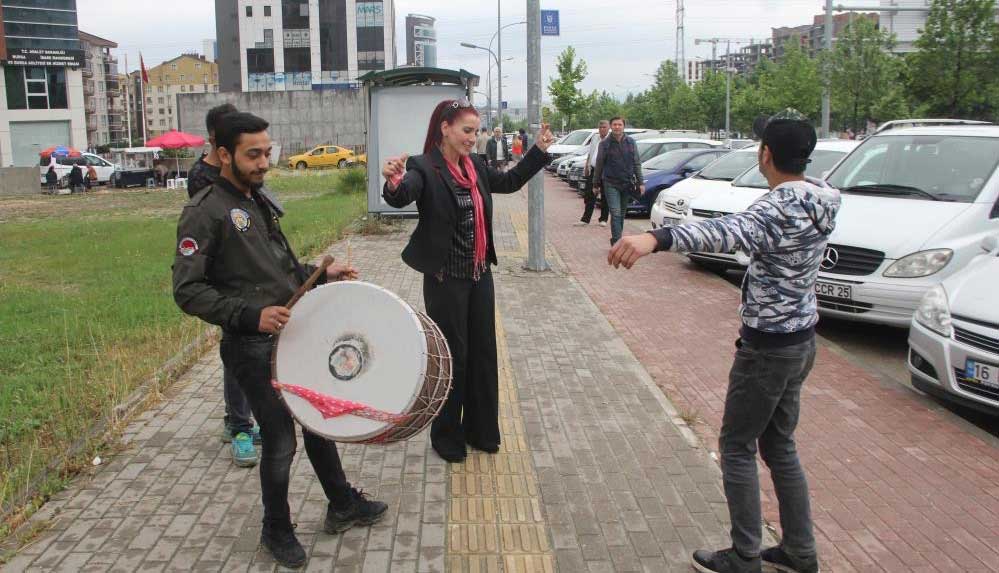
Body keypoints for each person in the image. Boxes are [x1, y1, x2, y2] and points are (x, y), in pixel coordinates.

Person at [608, 110, 834, 573]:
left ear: (765, 154)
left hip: (768, 348)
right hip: (800, 341)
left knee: (736, 446)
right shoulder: (822, 198)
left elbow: (727, 232)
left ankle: (746, 556)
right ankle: (799, 552)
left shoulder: (777, 208)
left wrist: (657, 238)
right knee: (779, 446)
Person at [172, 112, 387, 569]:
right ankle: (276, 529)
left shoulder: (256, 199)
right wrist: (252, 315)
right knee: (280, 439)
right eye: (253, 154)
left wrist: (320, 274)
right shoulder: (204, 211)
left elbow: (276, 269)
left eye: (267, 152)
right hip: (250, 346)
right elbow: (187, 291)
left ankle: (342, 504)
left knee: (318, 420)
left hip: (289, 335)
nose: (263, 162)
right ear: (224, 154)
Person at [380, 99, 555, 463]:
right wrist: (393, 181)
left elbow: (509, 182)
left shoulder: (475, 165)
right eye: (466, 131)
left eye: (476, 131)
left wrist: (538, 151)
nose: (473, 138)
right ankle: (446, 435)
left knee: (482, 353)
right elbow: (403, 194)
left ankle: (481, 430)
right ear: (445, 128)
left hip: (479, 275)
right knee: (453, 358)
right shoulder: (423, 166)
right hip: (446, 280)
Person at [184, 103, 263, 468]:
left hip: (252, 279)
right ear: (218, 142)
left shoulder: (244, 175)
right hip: (229, 284)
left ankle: (242, 420)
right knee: (236, 354)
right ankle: (239, 426)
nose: (260, 161)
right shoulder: (204, 179)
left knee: (248, 356)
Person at [592, 117, 643, 245]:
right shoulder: (604, 144)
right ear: (611, 126)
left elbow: (637, 163)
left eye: (619, 124)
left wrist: (641, 182)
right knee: (615, 212)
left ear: (624, 126)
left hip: (626, 183)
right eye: (614, 124)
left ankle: (617, 238)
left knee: (621, 213)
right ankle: (617, 242)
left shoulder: (631, 142)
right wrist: (595, 184)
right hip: (610, 183)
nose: (617, 127)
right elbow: (599, 165)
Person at [576, 120, 610, 227]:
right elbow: (590, 153)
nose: (602, 129)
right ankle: (585, 219)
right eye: (600, 127)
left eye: (604, 127)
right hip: (594, 170)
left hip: (605, 171)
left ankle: (603, 219)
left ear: (608, 128)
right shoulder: (595, 137)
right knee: (589, 194)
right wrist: (587, 165)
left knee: (605, 195)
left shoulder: (611, 139)